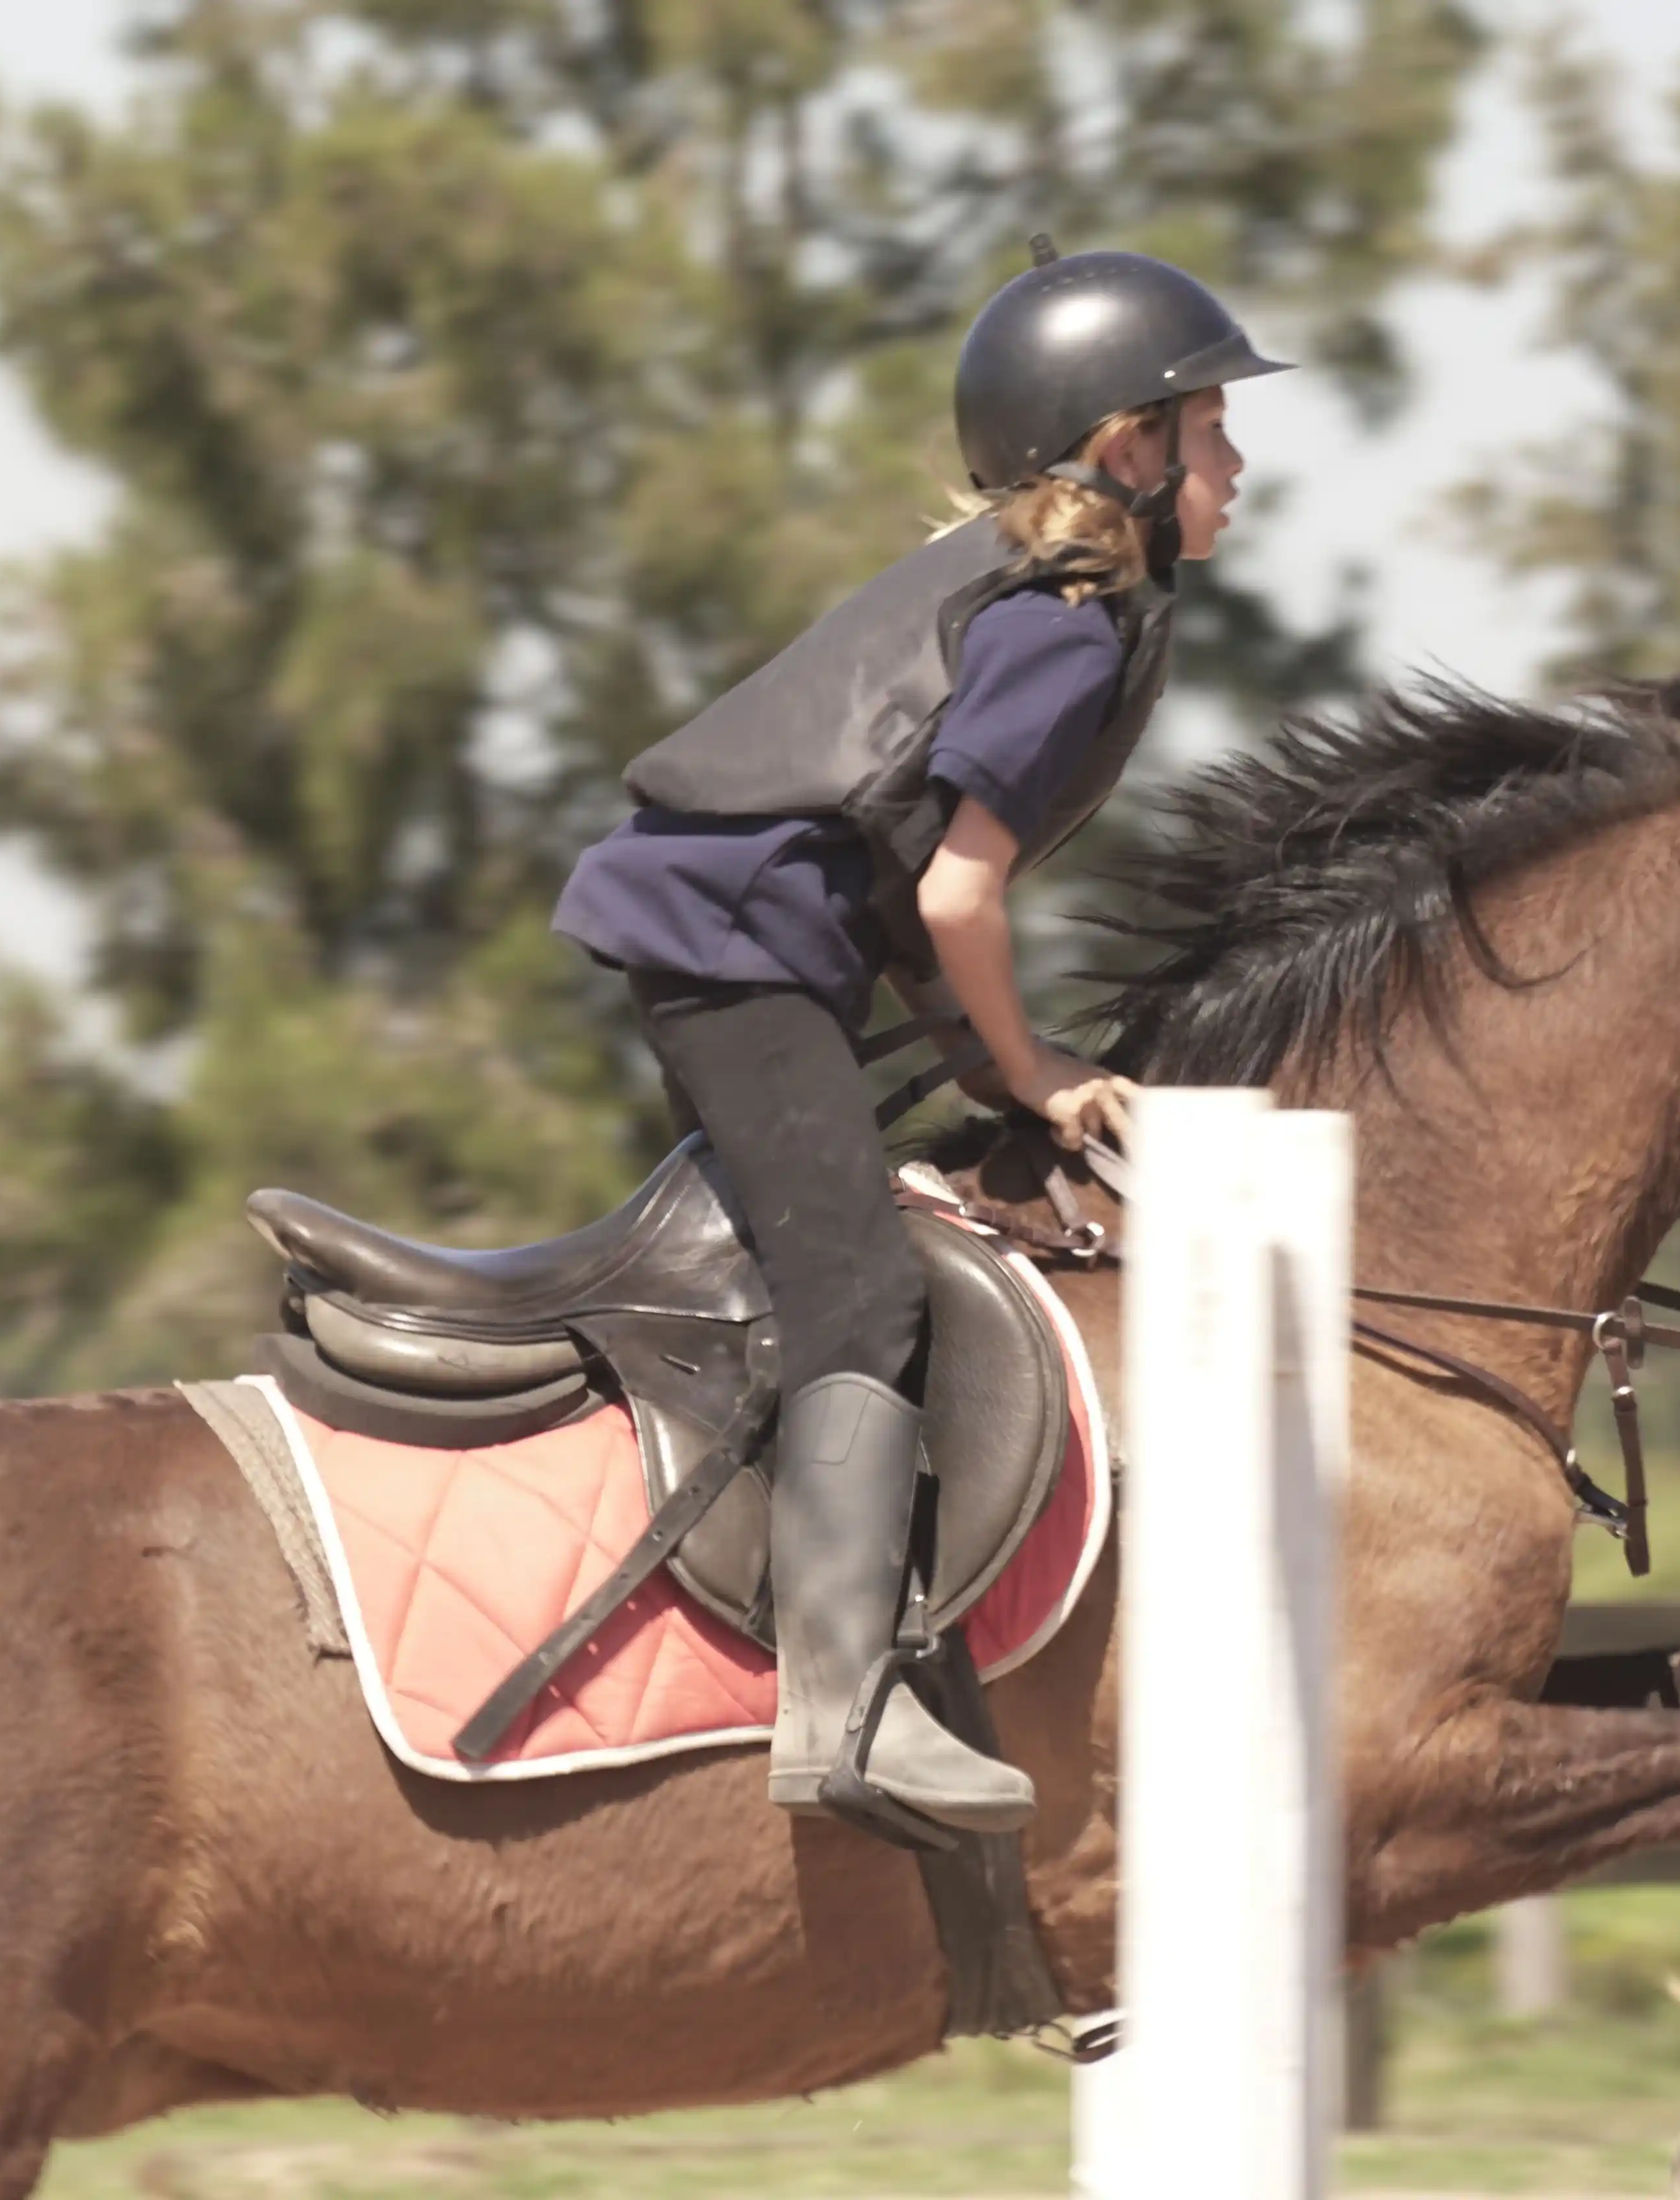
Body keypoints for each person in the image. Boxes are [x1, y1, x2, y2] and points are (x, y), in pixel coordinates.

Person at [550, 246, 1283, 1841]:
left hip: (731, 940)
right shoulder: (1070, 626)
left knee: (849, 1254)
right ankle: (844, 1710)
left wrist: (980, 1062)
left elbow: (894, 868)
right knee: (864, 1287)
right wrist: (1028, 1071)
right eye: (1212, 429)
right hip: (733, 952)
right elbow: (958, 890)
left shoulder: (1028, 598)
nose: (1238, 465)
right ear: (1127, 451)